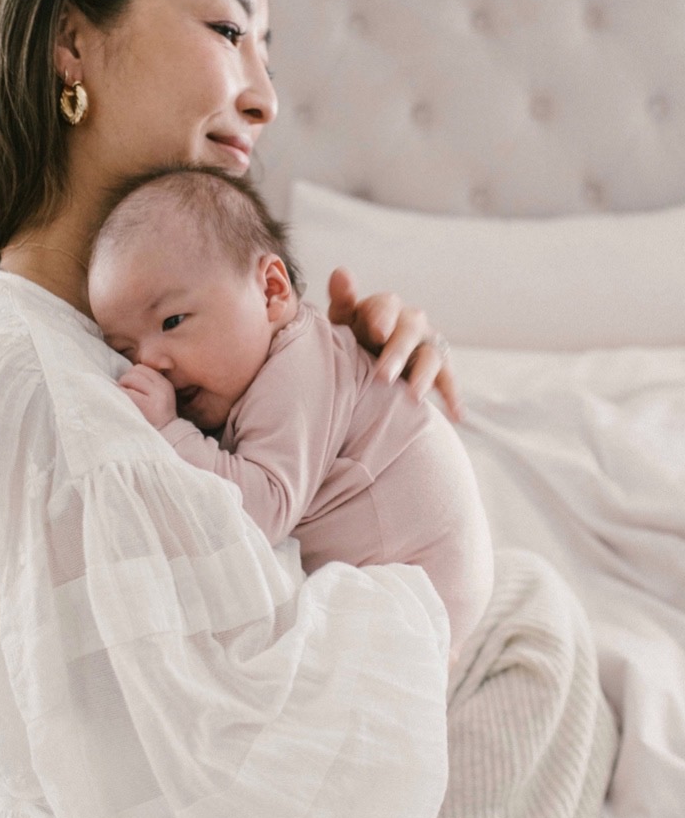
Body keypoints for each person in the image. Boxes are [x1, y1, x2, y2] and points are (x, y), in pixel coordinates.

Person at [0, 0, 618, 818]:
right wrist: (419, 595)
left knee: (534, 615)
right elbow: (215, 776)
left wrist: (352, 416)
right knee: (535, 637)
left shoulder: (64, 345)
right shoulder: (47, 387)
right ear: (73, 41)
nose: (267, 96)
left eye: (267, 49)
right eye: (228, 29)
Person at [87, 164, 495, 666]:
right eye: (125, 350)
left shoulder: (293, 370)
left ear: (272, 291)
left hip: (411, 596)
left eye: (172, 321)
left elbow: (263, 509)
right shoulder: (252, 372)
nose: (150, 362)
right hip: (419, 601)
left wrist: (170, 432)